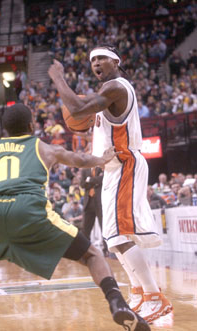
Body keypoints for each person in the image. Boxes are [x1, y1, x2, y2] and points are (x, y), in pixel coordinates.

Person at [0, 103, 150, 331]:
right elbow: (79, 160)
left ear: (4, 129)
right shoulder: (43, 147)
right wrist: (101, 160)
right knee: (92, 254)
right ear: (31, 126)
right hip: (29, 211)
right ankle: (117, 303)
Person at [48, 44, 173, 323]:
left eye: (102, 58)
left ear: (116, 61)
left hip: (125, 162)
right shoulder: (105, 96)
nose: (96, 63)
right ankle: (140, 292)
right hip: (112, 168)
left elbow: (77, 107)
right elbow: (83, 114)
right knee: (112, 239)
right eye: (93, 59)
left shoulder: (116, 87)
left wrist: (57, 77)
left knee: (119, 236)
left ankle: (155, 297)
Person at [80, 166, 108, 255]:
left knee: (104, 228)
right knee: (85, 229)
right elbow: (82, 184)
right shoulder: (84, 170)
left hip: (100, 203)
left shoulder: (102, 168)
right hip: (88, 203)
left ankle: (107, 250)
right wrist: (95, 181)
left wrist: (89, 180)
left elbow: (102, 179)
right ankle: (84, 250)